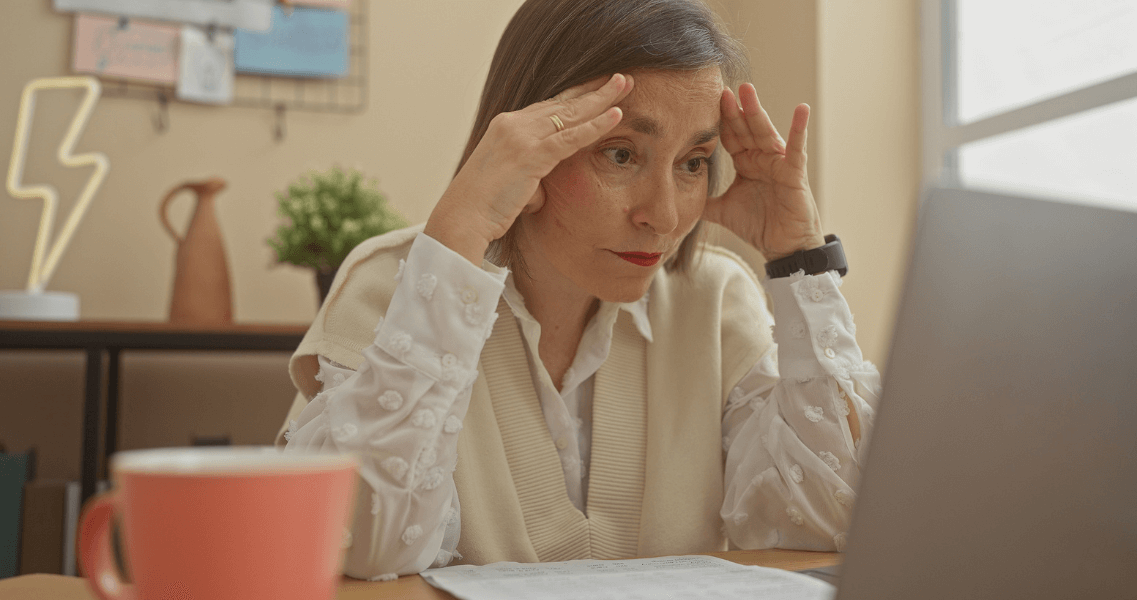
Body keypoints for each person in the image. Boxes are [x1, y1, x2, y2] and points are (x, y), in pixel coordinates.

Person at [280, 0, 880, 580]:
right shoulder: (393, 287)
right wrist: (458, 236)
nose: (664, 216)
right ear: (529, 144)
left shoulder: (715, 299)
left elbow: (825, 519)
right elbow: (358, 545)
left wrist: (801, 259)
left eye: (693, 162)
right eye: (620, 154)